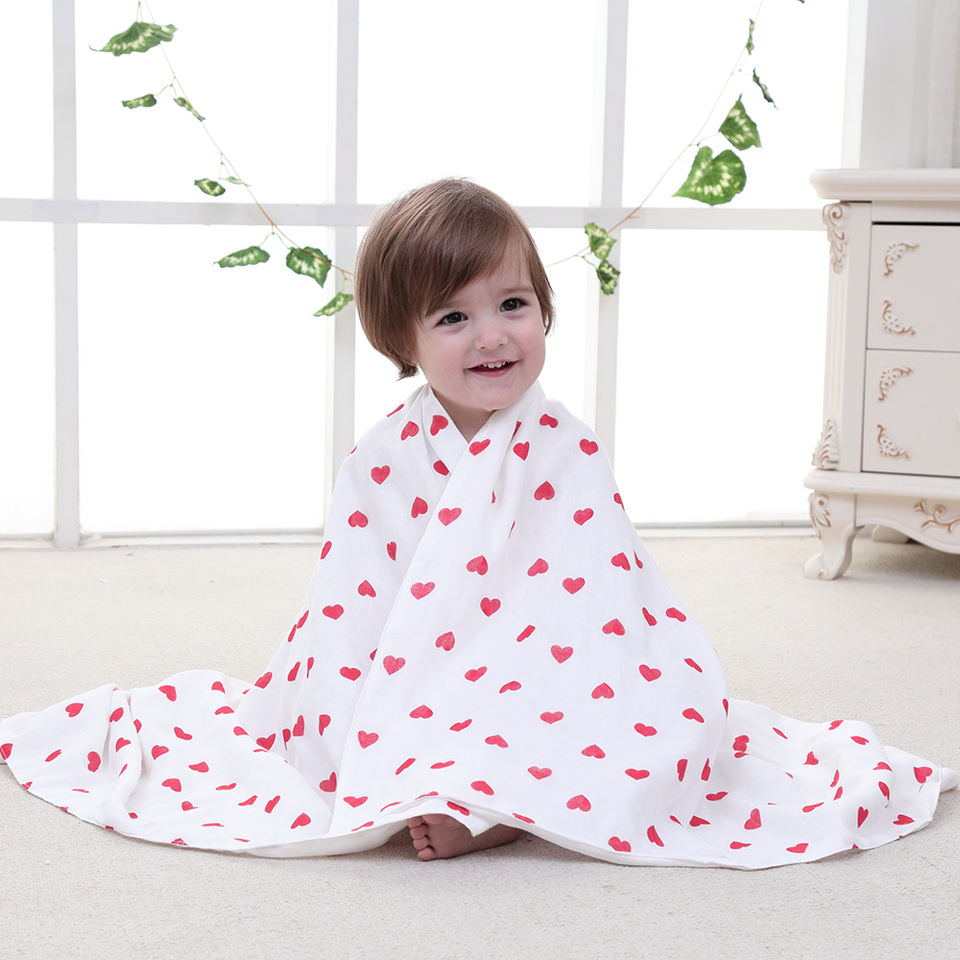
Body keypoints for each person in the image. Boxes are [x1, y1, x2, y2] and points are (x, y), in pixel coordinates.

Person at [0, 179, 954, 867]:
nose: (493, 335)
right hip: (407, 665)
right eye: (452, 319)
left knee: (644, 731)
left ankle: (500, 808)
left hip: (555, 662)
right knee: (336, 731)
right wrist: (352, 699)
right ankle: (450, 785)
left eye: (512, 304)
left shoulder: (565, 445)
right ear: (402, 339)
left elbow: (600, 594)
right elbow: (351, 596)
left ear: (544, 309)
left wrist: (545, 673)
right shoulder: (383, 454)